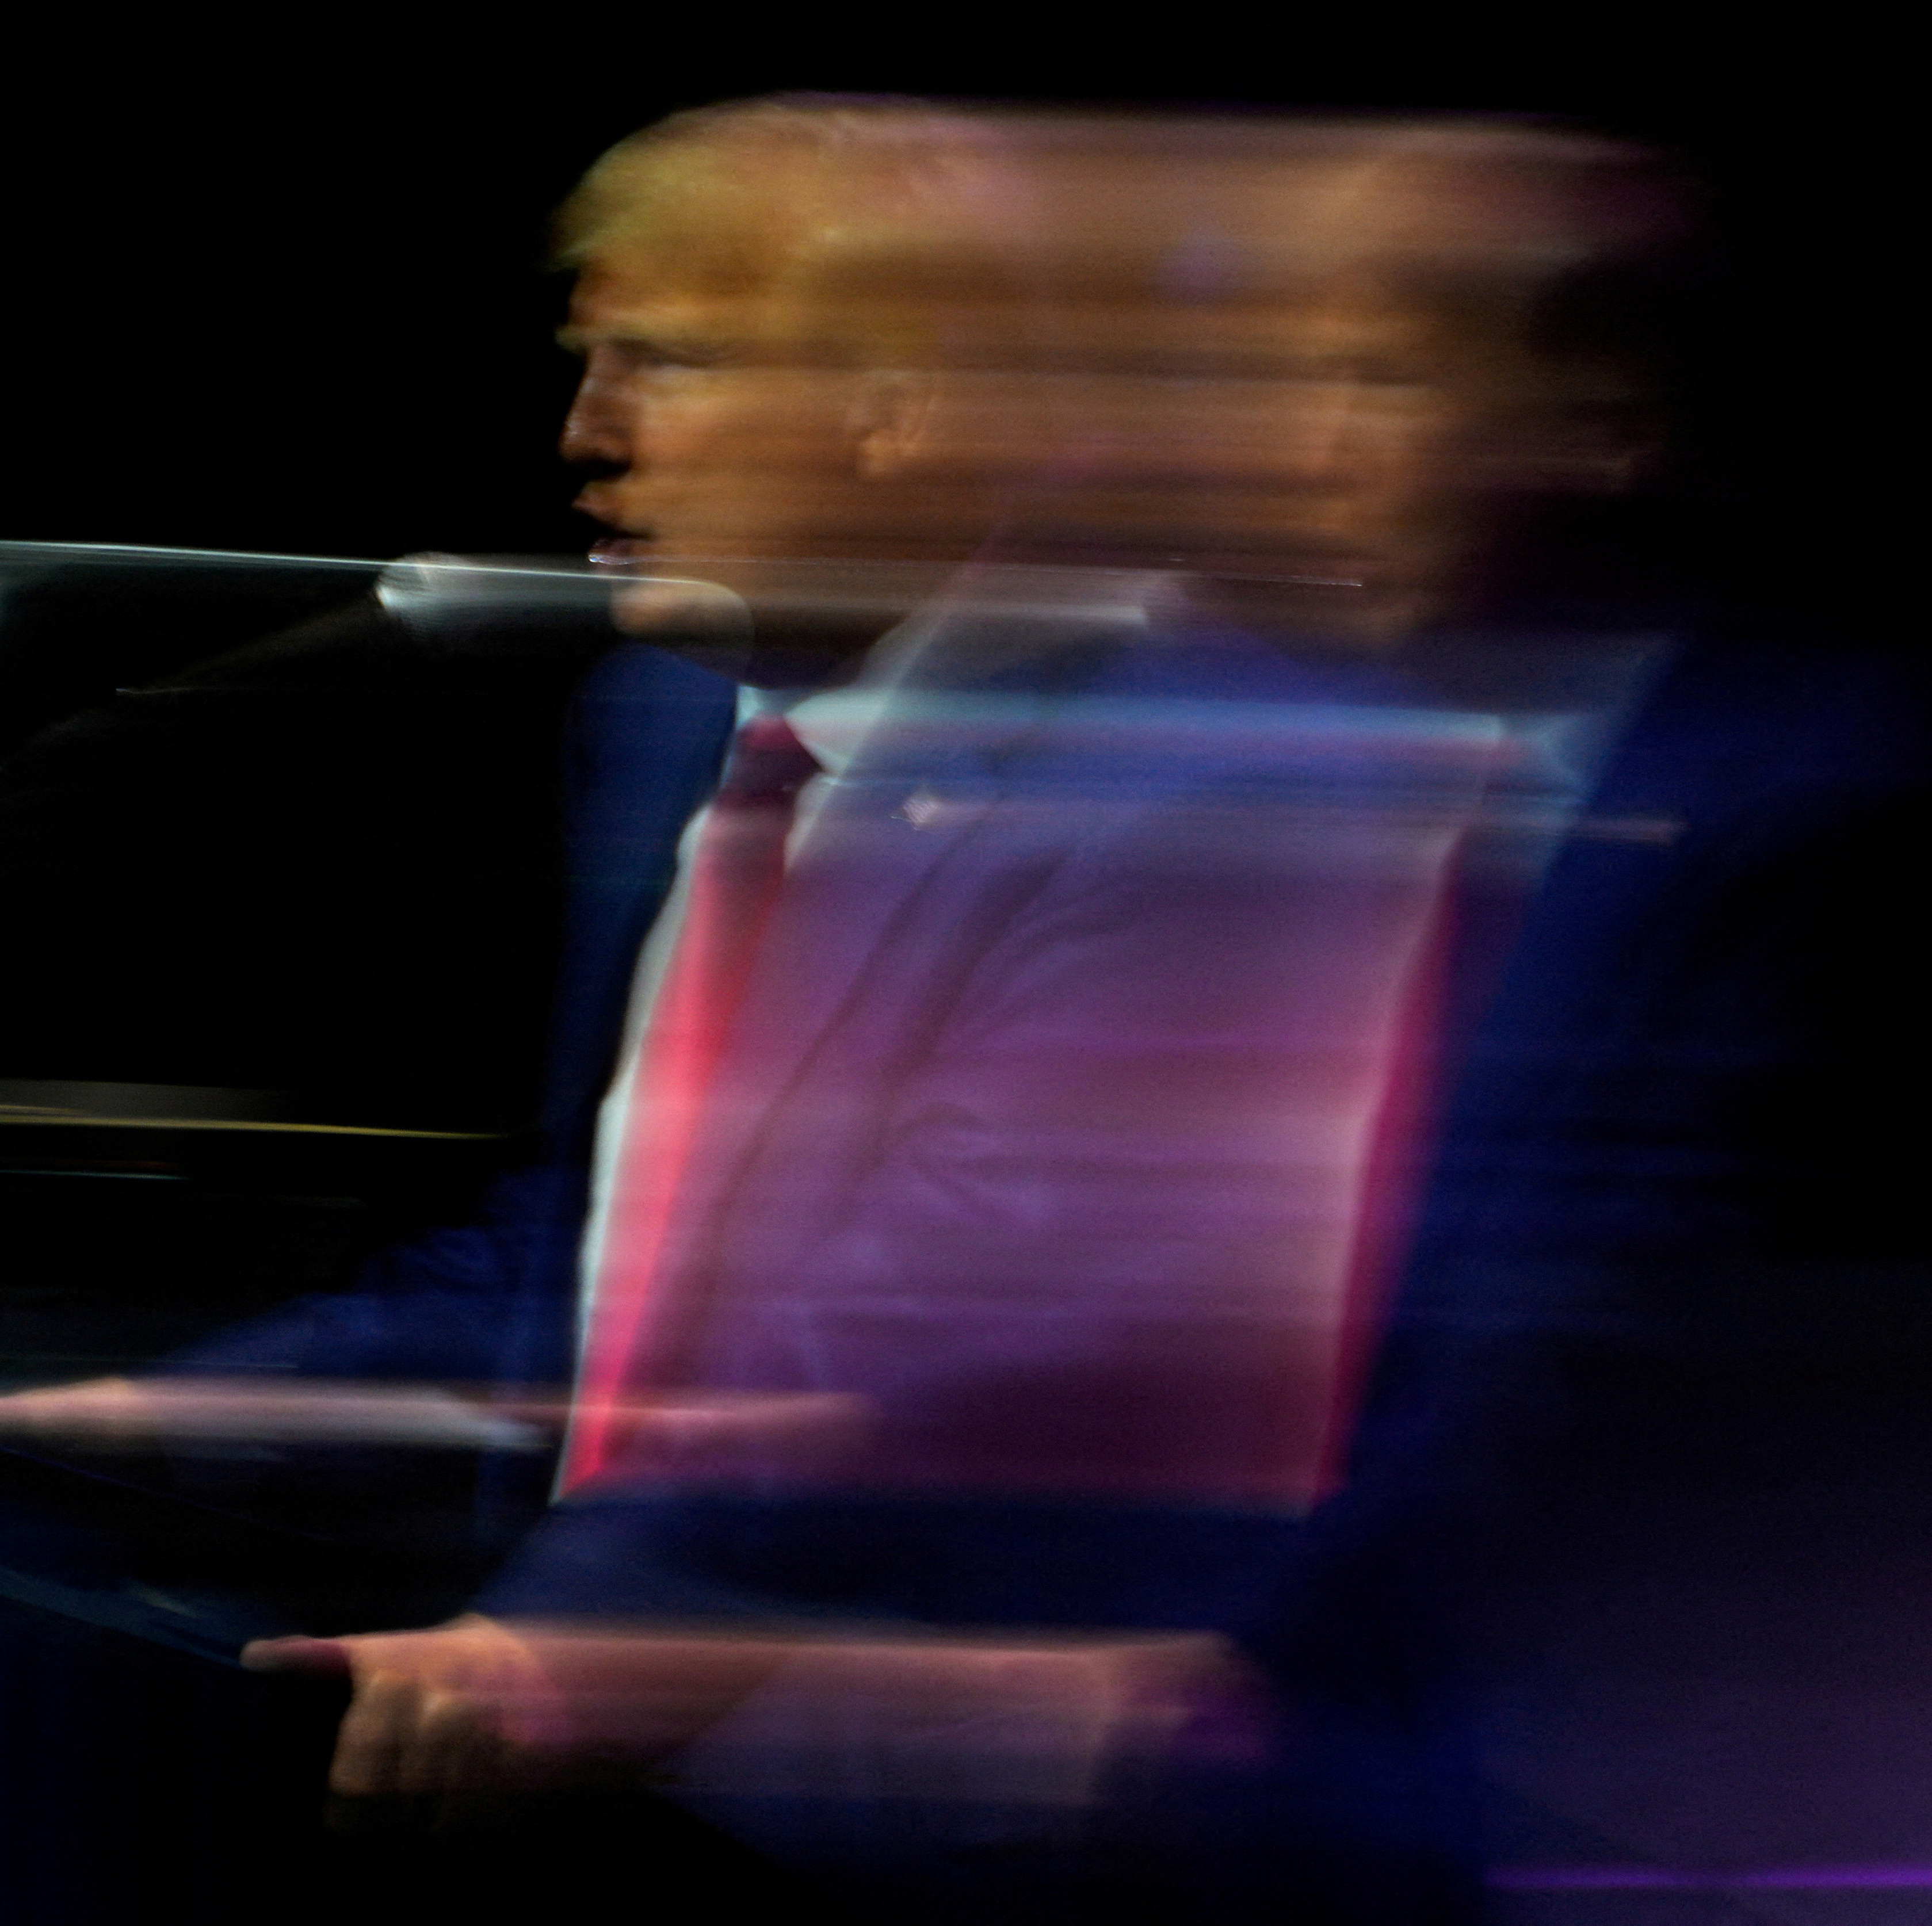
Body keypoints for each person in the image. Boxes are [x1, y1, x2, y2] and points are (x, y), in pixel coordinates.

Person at [12, 99, 1910, 1920]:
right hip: (648, 1775)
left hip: (1033, 1809)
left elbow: (974, 1324)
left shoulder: (1217, 778)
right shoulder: (659, 722)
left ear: (900, 403)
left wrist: (573, 1645)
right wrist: (138, 1417)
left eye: (670, 361)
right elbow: (598, 1245)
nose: (587, 433)